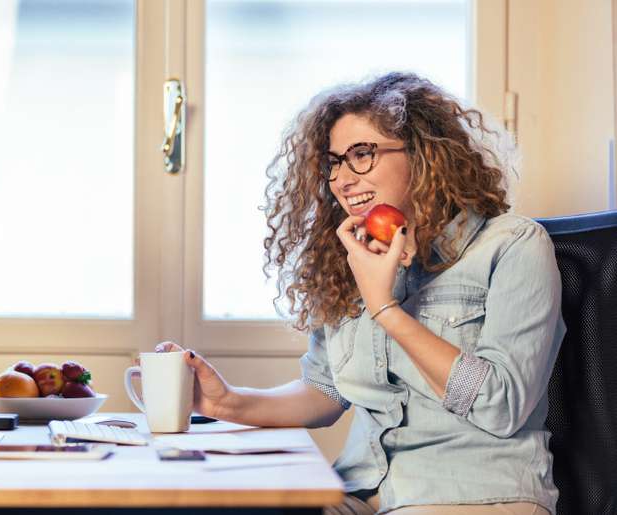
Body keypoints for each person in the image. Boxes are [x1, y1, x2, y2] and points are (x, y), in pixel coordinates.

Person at [155, 72, 565, 515]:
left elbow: (500, 405)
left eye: (362, 155)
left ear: (425, 155)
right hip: (362, 491)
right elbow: (325, 392)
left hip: (473, 493)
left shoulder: (512, 246)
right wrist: (226, 401)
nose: (342, 180)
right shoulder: (353, 255)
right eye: (334, 162)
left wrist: (386, 308)